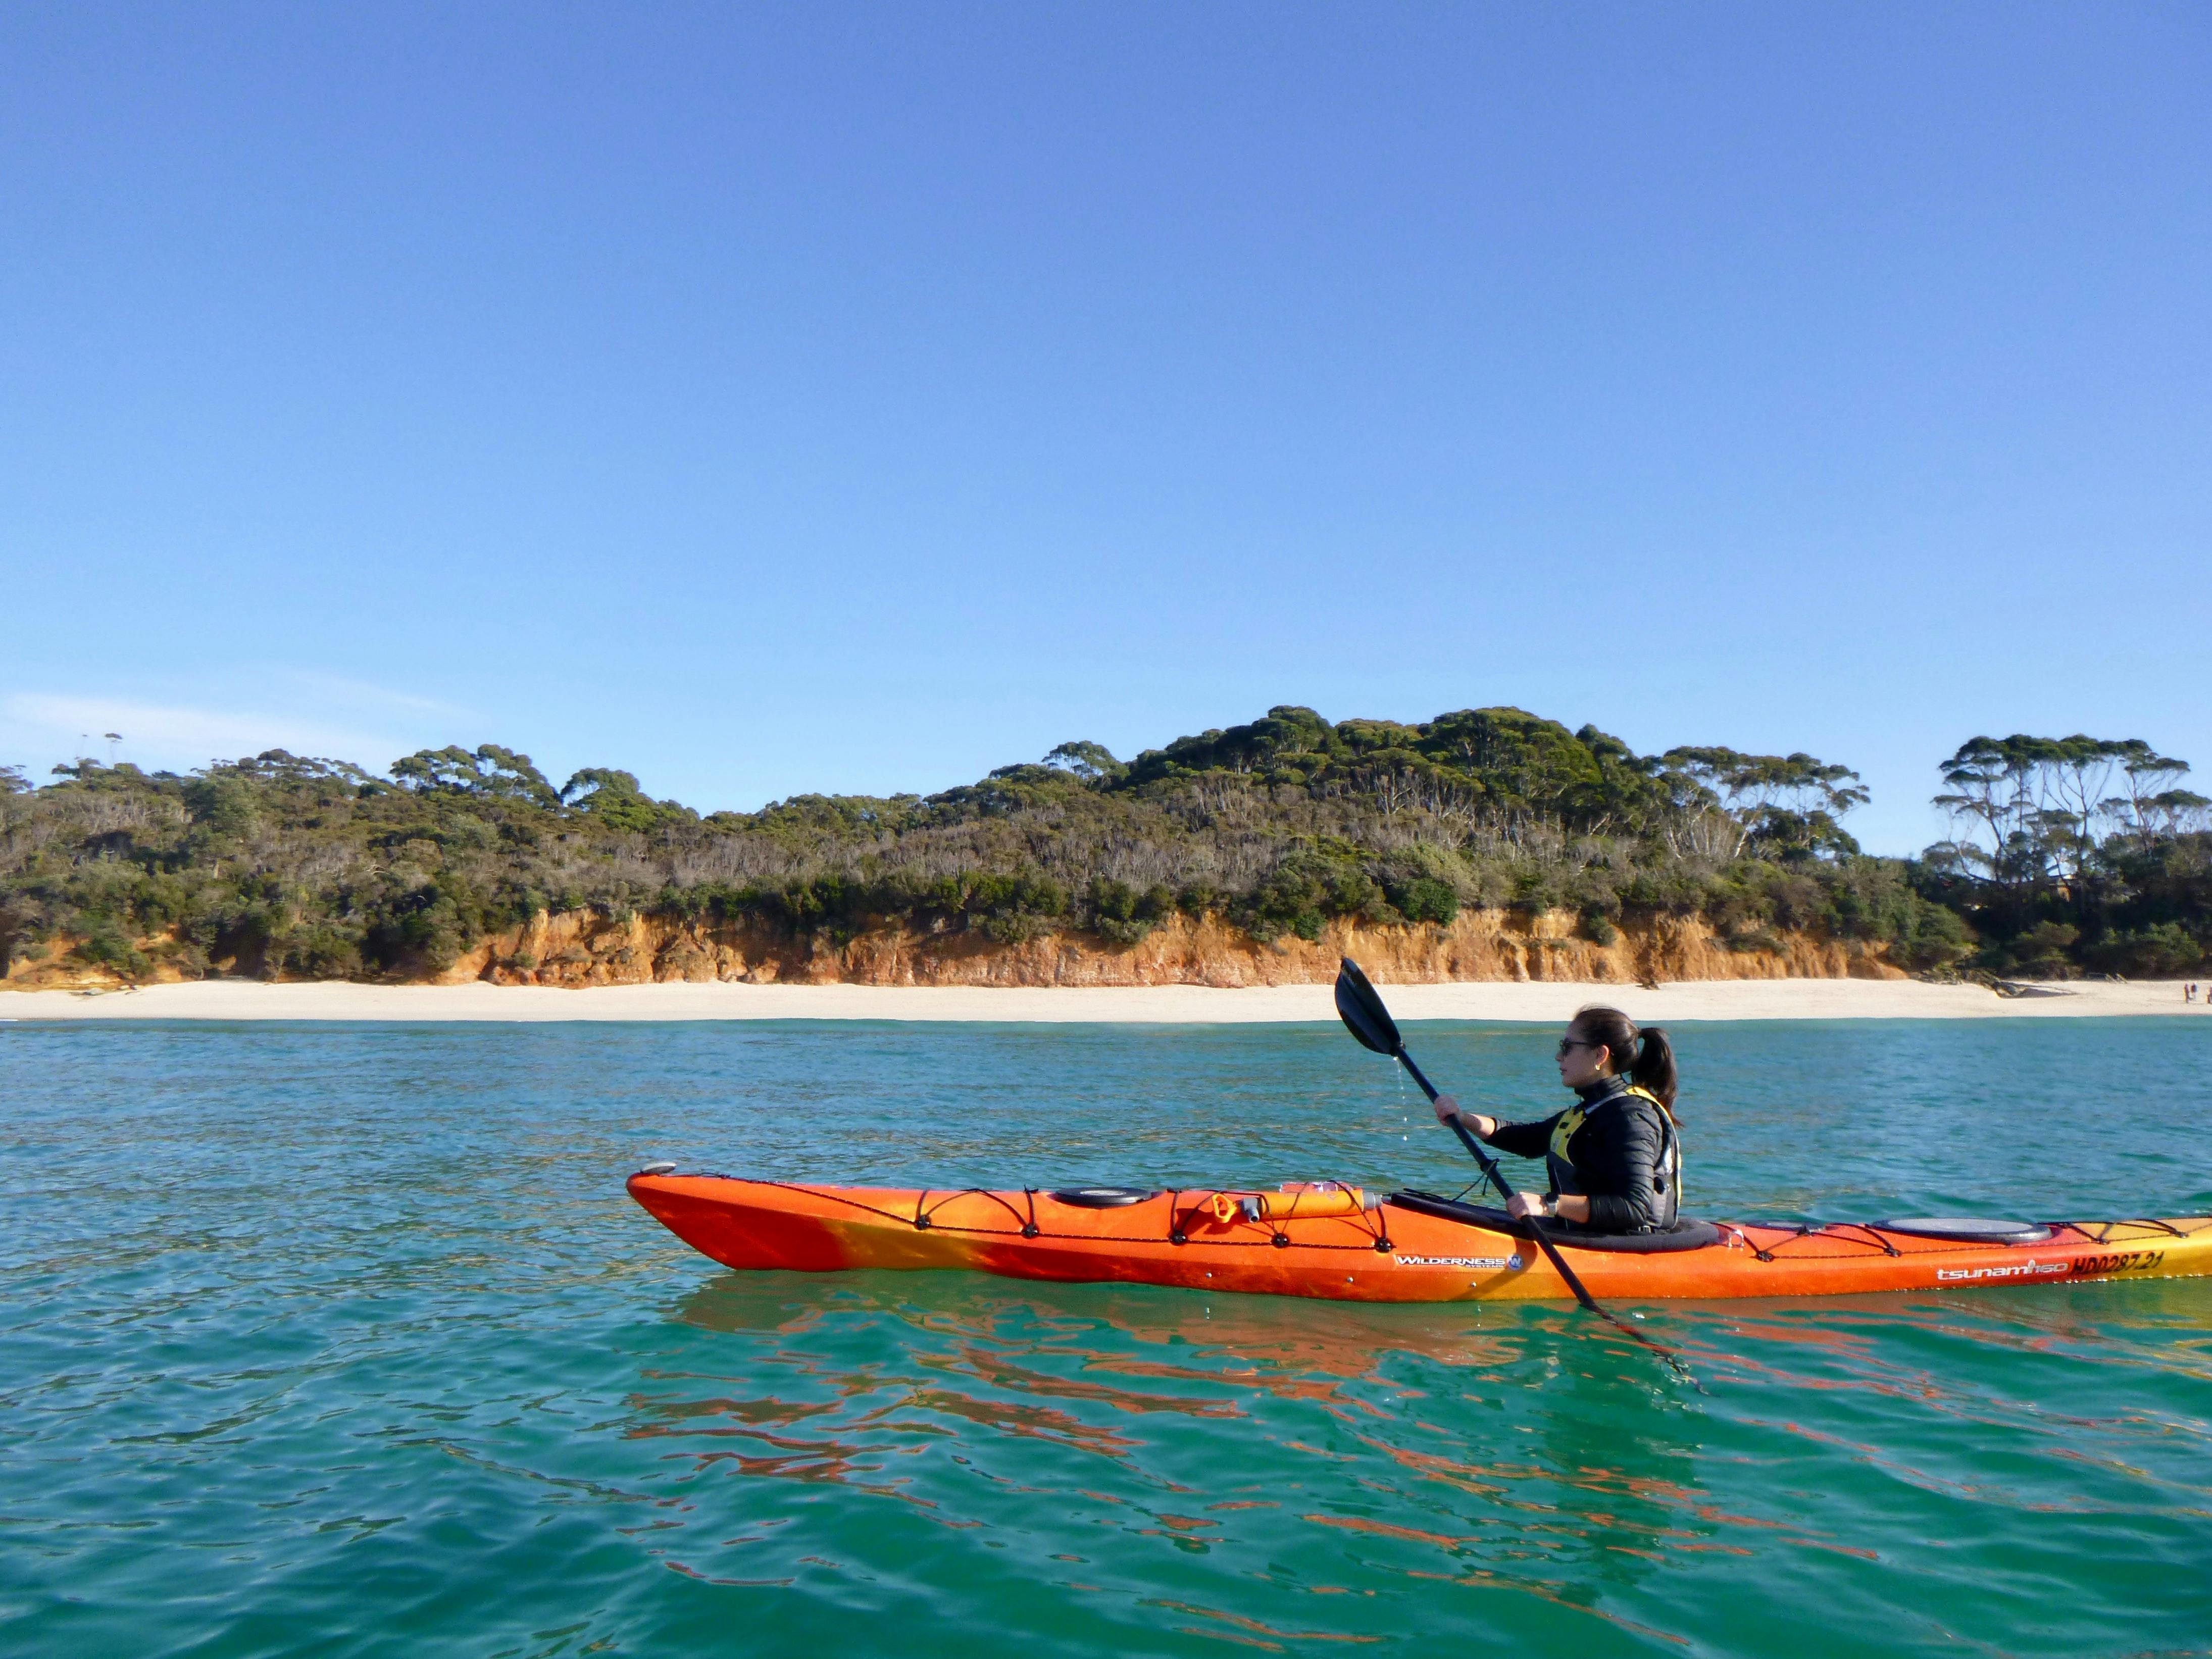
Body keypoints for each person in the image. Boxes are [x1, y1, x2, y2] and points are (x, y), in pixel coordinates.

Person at [1431, 1005, 1682, 1235]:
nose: (1558, 1056)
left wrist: (1548, 1204)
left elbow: (1634, 1207)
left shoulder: (1631, 1118)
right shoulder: (1593, 1110)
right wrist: (1463, 1119)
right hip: (1588, 1236)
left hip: (1628, 1248)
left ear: (1600, 1055)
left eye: (1567, 1047)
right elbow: (1528, 1139)